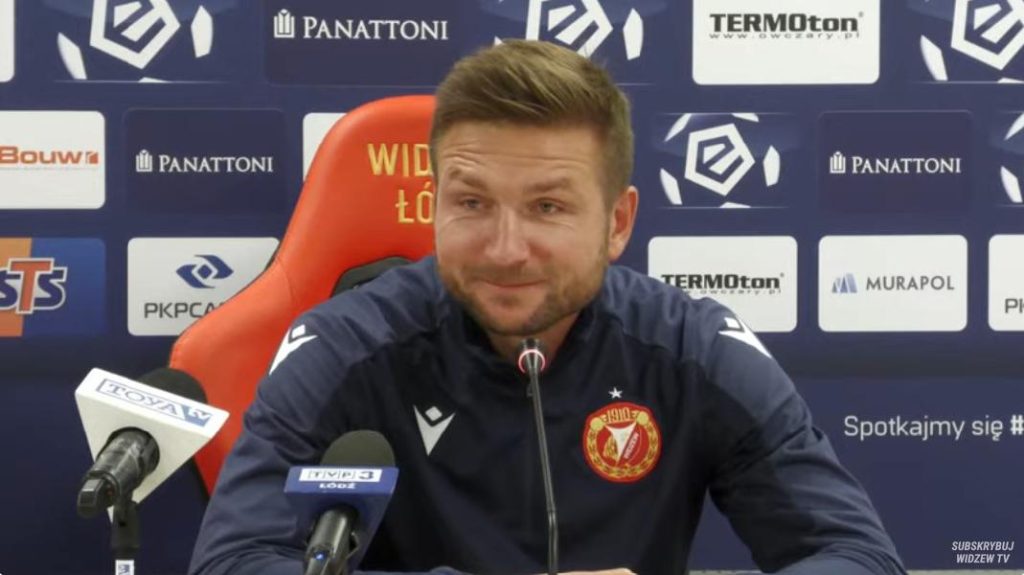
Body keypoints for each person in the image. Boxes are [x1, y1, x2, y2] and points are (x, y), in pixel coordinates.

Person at [189, 40, 905, 575]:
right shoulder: (345, 344)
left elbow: (856, 555)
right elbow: (233, 560)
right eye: (472, 202)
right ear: (434, 205)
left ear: (618, 222)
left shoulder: (691, 346)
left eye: (548, 207)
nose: (506, 249)